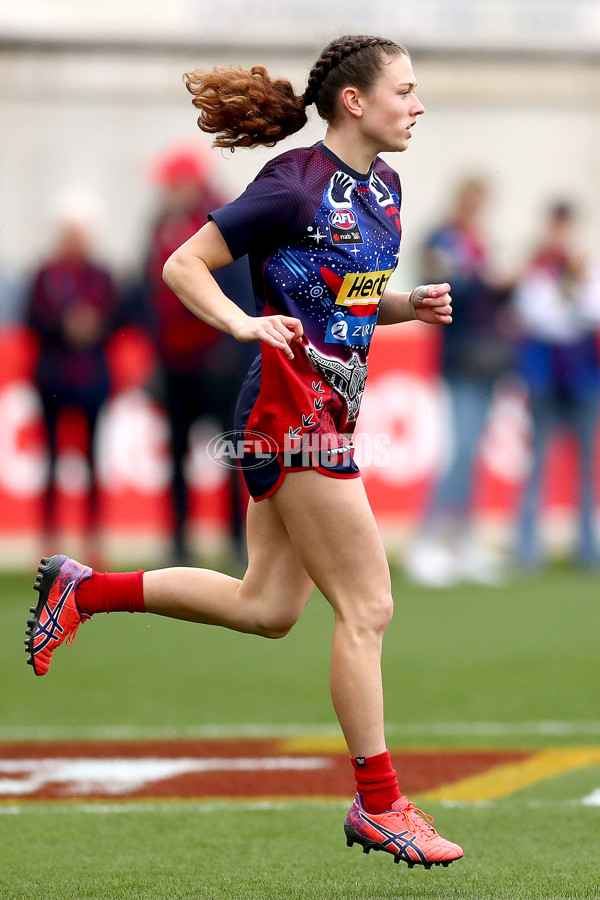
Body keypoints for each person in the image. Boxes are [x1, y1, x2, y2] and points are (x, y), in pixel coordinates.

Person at [24, 35, 463, 868]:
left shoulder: (388, 190)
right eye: (405, 90)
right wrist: (240, 321)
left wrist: (408, 303)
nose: (418, 103)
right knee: (368, 607)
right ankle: (382, 805)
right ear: (355, 102)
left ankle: (84, 592)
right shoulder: (292, 182)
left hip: (321, 410)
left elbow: (347, 298)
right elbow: (182, 265)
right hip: (289, 412)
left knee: (268, 607)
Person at [141, 145, 255, 563]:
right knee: (175, 456)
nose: (167, 192)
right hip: (175, 364)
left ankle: (237, 540)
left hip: (216, 362)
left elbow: (240, 289)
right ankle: (178, 541)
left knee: (231, 453)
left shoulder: (219, 224)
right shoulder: (160, 227)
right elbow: (151, 295)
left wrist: (231, 345)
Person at [404, 178, 511, 587]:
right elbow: (442, 288)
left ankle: (463, 540)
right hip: (459, 358)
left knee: (473, 451)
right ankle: (427, 540)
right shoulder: (441, 238)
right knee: (460, 448)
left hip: (488, 359)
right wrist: (487, 281)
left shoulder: (479, 241)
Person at [25, 209, 118, 560]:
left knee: (93, 459)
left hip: (92, 378)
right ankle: (49, 534)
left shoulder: (101, 276)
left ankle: (93, 535)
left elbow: (117, 316)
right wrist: (66, 326)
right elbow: (32, 320)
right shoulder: (45, 276)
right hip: (53, 378)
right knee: (50, 458)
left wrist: (94, 327)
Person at [512, 202, 600, 569]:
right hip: (545, 376)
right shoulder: (536, 268)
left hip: (581, 376)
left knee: (585, 466)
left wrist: (572, 291)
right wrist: (567, 300)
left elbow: (591, 312)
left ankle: (587, 549)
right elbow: (537, 317)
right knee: (539, 463)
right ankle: (528, 549)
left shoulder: (584, 269)